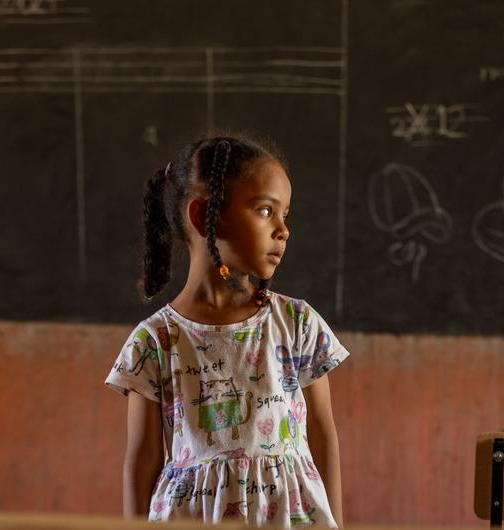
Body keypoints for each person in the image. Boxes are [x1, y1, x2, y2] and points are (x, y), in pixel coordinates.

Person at [105, 135, 348, 527]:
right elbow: (142, 460)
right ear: (204, 216)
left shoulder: (297, 323)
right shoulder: (154, 342)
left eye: (286, 214)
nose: (283, 230)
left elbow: (322, 436)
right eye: (266, 211)